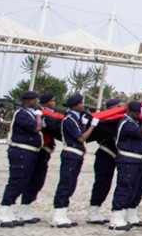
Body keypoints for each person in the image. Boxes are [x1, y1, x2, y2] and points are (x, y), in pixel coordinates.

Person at [0, 91, 43, 228]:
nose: (37, 102)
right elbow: (36, 127)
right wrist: (38, 117)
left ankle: (9, 211)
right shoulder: (22, 114)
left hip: (29, 152)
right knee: (16, 181)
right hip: (21, 151)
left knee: (23, 182)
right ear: (29, 101)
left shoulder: (28, 113)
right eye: (36, 100)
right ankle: (3, 213)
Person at [51, 93, 99, 227]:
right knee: (66, 184)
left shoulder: (75, 119)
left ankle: (63, 213)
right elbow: (81, 138)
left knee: (71, 184)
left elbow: (80, 133)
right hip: (70, 154)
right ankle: (57, 215)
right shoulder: (69, 120)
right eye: (81, 104)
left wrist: (84, 124)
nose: (83, 106)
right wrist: (92, 126)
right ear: (75, 105)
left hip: (76, 154)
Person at [109, 100, 142, 231]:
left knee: (133, 188)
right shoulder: (126, 123)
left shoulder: (132, 122)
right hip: (127, 160)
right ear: (131, 111)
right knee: (124, 187)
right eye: (137, 113)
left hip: (136, 160)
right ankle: (116, 218)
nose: (139, 115)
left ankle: (125, 215)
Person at [20, 92, 58, 225]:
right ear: (46, 102)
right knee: (34, 179)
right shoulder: (42, 114)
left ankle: (26, 208)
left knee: (38, 180)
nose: (54, 103)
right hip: (40, 150)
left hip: (44, 151)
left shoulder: (45, 114)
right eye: (52, 101)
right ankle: (24, 209)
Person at [88, 97, 124, 224]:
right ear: (111, 108)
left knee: (108, 183)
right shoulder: (103, 120)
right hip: (105, 153)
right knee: (101, 182)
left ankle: (97, 209)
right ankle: (93, 210)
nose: (120, 108)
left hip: (115, 154)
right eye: (118, 106)